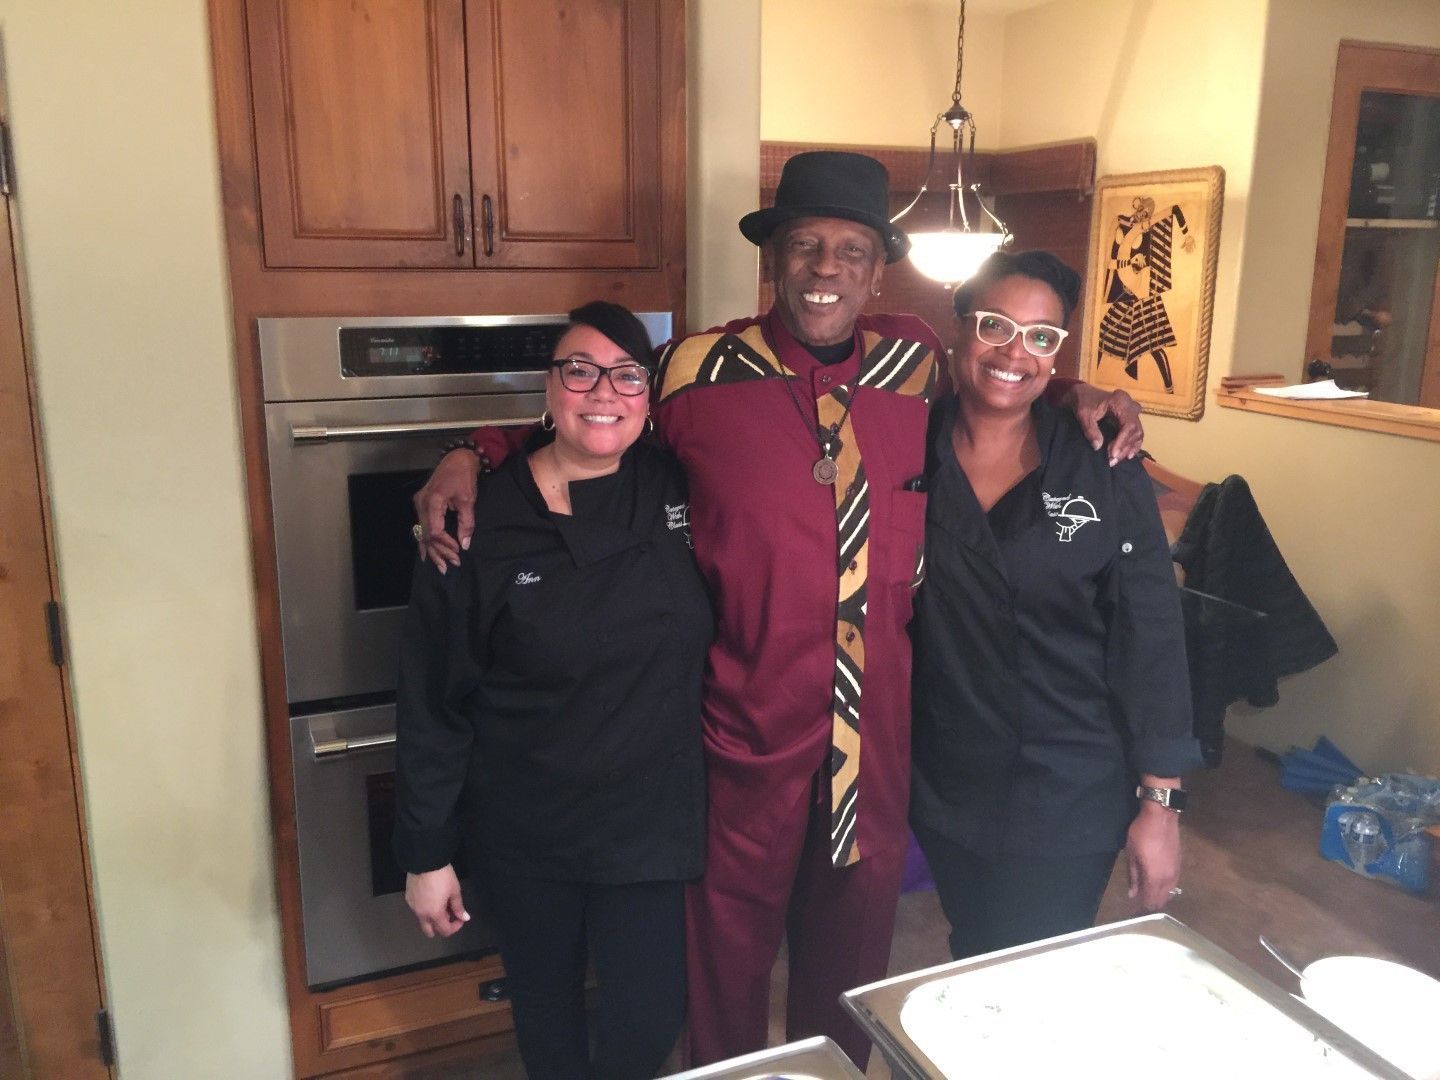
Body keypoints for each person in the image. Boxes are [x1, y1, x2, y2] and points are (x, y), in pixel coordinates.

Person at [413, 152, 1145, 1067]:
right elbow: (591, 426)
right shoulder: (694, 373)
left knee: (850, 978)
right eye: (804, 246)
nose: (825, 268)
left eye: (849, 250)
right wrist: (469, 451)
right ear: (774, 261)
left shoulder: (917, 365)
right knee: (720, 974)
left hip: (873, 746)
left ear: (878, 268)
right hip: (736, 738)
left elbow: (1010, 383)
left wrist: (1088, 392)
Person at [392, 302, 713, 1080]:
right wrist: (426, 856)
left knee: (649, 1015)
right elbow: (433, 700)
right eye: (579, 370)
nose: (602, 391)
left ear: (649, 397)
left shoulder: (688, 484)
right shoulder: (474, 522)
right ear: (549, 388)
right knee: (546, 1013)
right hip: (527, 825)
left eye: (626, 375)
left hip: (650, 822)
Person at [909, 250, 1203, 962]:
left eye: (1042, 337)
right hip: (946, 777)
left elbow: (1152, 633)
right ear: (957, 329)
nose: (1017, 351)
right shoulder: (904, 446)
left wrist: (1160, 805)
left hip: (1067, 785)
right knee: (973, 946)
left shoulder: (1101, 461)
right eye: (996, 325)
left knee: (1033, 967)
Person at [1098, 196, 1195, 392]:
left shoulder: (1149, 231)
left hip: (1144, 297)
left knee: (1154, 344)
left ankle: (1170, 389)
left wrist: (1186, 233)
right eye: (1139, 210)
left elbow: (1175, 208)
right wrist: (1129, 265)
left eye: (1145, 213)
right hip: (1125, 296)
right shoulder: (1121, 224)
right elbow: (1112, 263)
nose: (1141, 215)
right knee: (1104, 336)